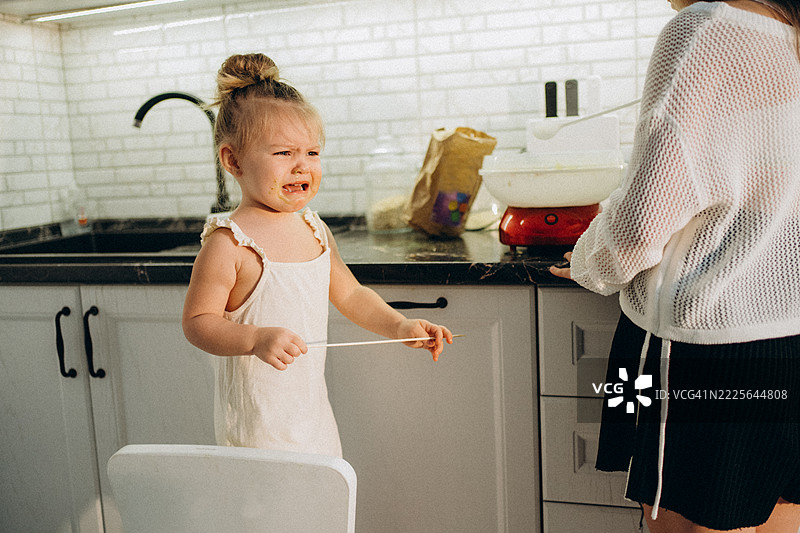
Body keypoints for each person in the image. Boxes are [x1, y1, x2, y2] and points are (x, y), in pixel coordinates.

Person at [550, 0, 800, 531]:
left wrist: (589, 261)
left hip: (700, 349)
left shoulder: (705, 29)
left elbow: (638, 227)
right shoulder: (792, 35)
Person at [183, 53, 453, 458]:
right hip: (257, 431)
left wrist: (399, 325)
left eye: (312, 153)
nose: (301, 166)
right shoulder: (229, 243)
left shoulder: (313, 228)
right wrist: (254, 338)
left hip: (313, 419)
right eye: (283, 154)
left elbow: (350, 295)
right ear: (233, 160)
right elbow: (198, 323)